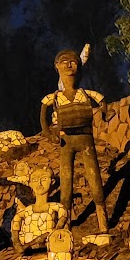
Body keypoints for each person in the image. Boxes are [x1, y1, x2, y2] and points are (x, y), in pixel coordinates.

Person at [40, 46, 108, 236]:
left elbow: (103, 103)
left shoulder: (86, 94)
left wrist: (103, 114)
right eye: (65, 62)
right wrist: (49, 134)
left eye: (73, 62)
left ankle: (102, 219)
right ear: (57, 67)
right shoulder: (54, 98)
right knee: (66, 181)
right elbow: (43, 118)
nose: (69, 65)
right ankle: (66, 220)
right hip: (65, 141)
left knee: (94, 179)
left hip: (86, 139)